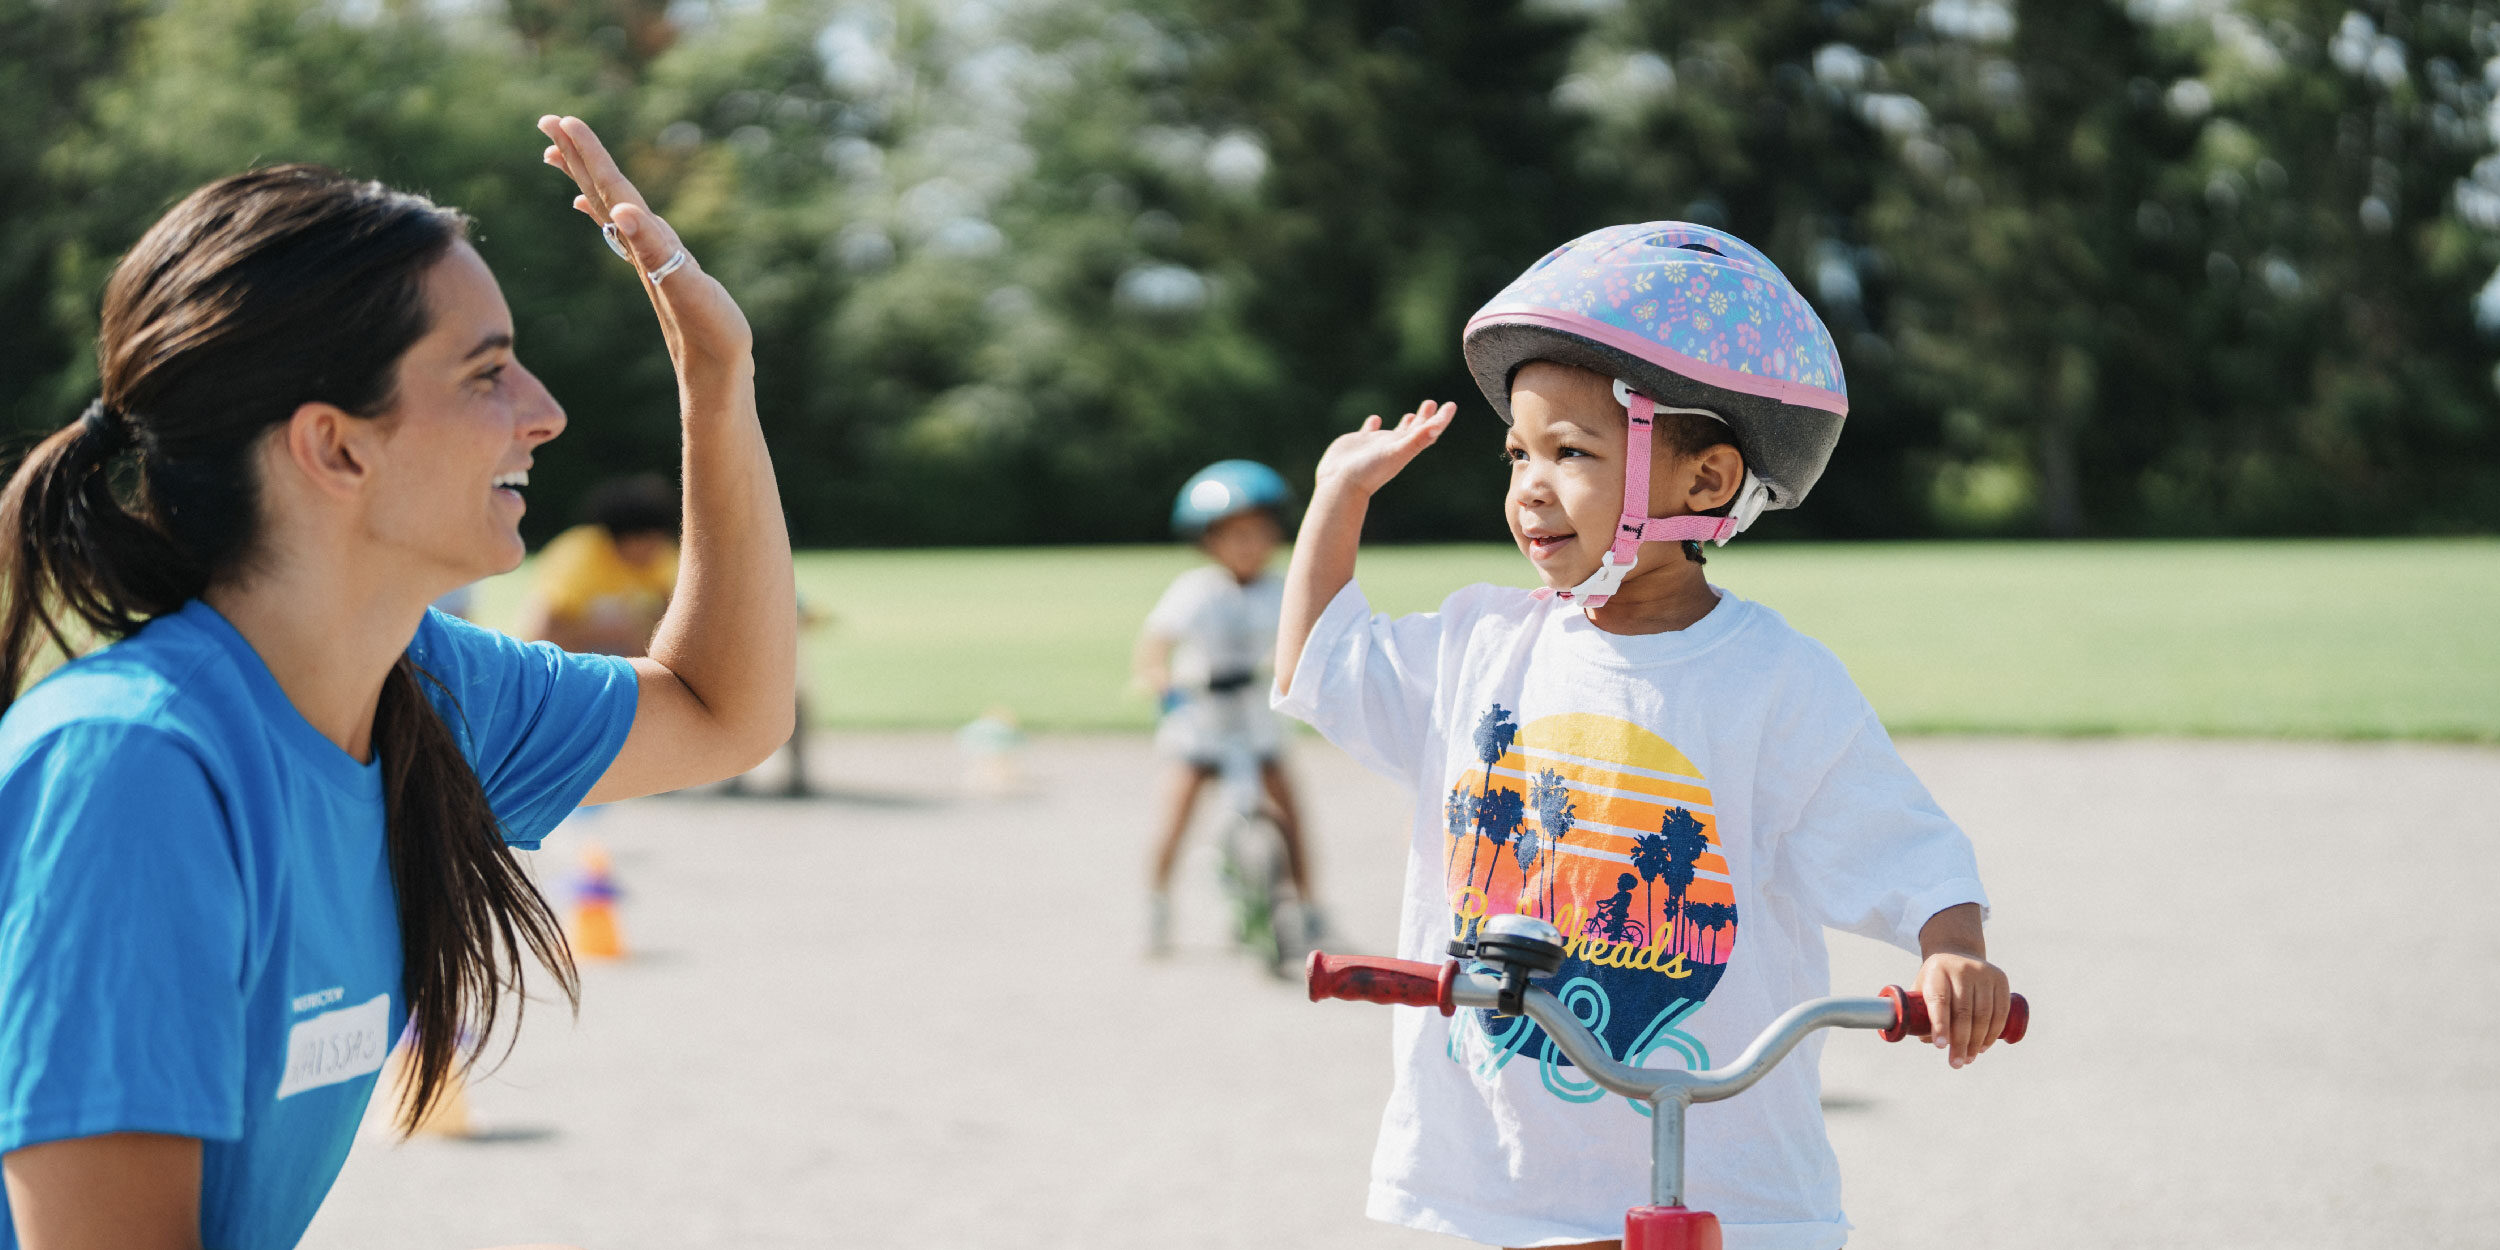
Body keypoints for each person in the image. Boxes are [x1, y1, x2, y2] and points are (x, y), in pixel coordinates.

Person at [0, 116, 796, 1250]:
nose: (544, 410)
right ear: (334, 448)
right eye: (486, 373)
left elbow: (724, 710)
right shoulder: (131, 766)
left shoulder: (418, 684)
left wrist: (717, 381)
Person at [1272, 223, 2012, 1250]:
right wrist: (1337, 494)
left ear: (1705, 483)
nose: (1529, 482)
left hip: (1727, 1162)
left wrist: (1952, 948)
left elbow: (1897, 835)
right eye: (1519, 452)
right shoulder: (1478, 645)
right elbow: (1320, 662)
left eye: (1571, 452)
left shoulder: (1776, 681)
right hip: (1510, 1162)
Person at [1135, 460, 1318, 955]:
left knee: (1288, 812)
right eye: (1234, 535)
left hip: (1258, 722)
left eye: (1258, 533)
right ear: (1207, 542)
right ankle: (1157, 902)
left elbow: (1306, 639)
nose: (1248, 545)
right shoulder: (1196, 590)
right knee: (1174, 814)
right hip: (1202, 723)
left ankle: (1307, 906)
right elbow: (1155, 646)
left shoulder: (1283, 590)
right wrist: (1161, 679)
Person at [516, 474, 680, 657]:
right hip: (571, 658)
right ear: (625, 537)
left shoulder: (662, 556)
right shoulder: (580, 555)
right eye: (648, 541)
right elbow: (541, 630)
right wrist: (606, 634)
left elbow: (676, 611)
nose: (655, 550)